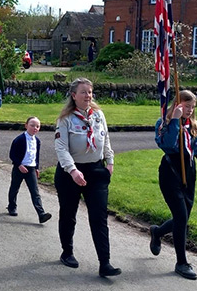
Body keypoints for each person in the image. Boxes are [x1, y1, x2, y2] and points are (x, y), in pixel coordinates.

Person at [150, 90, 197, 280]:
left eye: (193, 107)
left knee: (182, 219)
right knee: (181, 216)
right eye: (186, 106)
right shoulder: (164, 123)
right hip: (170, 172)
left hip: (189, 174)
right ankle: (181, 263)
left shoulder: (195, 127)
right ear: (177, 104)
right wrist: (175, 121)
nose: (190, 110)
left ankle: (157, 232)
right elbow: (167, 145)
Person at [54, 78, 120, 278]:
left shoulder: (98, 115)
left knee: (99, 218)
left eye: (90, 92)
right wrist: (73, 171)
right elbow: (61, 148)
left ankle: (105, 263)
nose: (88, 96)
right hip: (70, 173)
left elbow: (105, 139)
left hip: (96, 171)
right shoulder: (65, 119)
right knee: (68, 214)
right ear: (74, 95)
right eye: (83, 92)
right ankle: (67, 252)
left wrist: (109, 161)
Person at [7, 116, 52, 224]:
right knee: (14, 188)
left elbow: (36, 156)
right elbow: (12, 154)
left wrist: (36, 168)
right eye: (32, 125)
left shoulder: (37, 141)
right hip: (19, 167)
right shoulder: (20, 139)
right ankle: (11, 206)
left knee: (35, 192)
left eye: (37, 126)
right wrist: (19, 165)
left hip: (31, 168)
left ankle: (41, 214)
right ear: (26, 125)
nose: (35, 128)